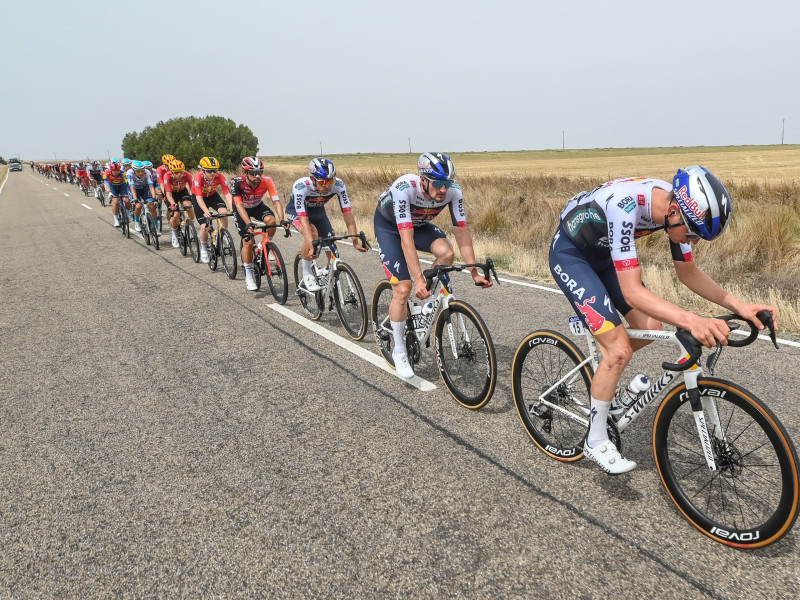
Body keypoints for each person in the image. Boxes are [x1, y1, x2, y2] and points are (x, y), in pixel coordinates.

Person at [549, 166, 778, 474]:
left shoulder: (677, 210)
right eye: (693, 234)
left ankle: (605, 375)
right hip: (571, 256)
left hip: (604, 257)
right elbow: (632, 292)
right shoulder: (625, 206)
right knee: (618, 350)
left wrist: (740, 306)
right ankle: (595, 439)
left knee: (649, 328)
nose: (694, 242)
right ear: (673, 212)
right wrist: (693, 321)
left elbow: (688, 273)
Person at [373, 152, 492, 378]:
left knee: (447, 254)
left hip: (419, 225)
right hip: (390, 228)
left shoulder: (453, 191)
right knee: (403, 288)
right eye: (438, 183)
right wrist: (418, 279)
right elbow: (406, 241)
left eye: (447, 183)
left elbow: (462, 232)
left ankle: (426, 302)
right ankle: (399, 350)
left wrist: (474, 272)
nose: (444, 189)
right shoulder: (404, 188)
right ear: (423, 180)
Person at [286, 157, 368, 292]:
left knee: (331, 242)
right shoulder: (301, 186)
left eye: (330, 181)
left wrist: (355, 240)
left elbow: (347, 213)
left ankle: (328, 273)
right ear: (313, 179)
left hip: (318, 212)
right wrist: (311, 246)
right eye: (323, 182)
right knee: (312, 234)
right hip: (296, 212)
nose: (327, 186)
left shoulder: (339, 185)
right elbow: (303, 219)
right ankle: (307, 274)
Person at [231, 156, 288, 291]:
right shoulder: (237, 182)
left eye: (260, 172)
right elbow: (238, 205)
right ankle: (249, 273)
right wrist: (248, 223)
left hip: (257, 206)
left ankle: (265, 246)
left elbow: (276, 201)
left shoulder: (267, 180)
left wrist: (282, 219)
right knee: (248, 241)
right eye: (253, 173)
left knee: (271, 221)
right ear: (246, 173)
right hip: (241, 208)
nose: (257, 176)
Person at [191, 156, 233, 263]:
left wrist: (232, 208)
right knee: (205, 227)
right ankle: (204, 247)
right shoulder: (198, 178)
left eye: (215, 170)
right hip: (199, 198)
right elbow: (199, 198)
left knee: (224, 212)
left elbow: (227, 193)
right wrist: (206, 211)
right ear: (203, 170)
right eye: (209, 171)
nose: (213, 173)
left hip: (213, 196)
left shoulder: (220, 177)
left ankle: (223, 234)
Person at [162, 159, 194, 248]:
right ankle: (174, 233)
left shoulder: (187, 175)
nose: (179, 174)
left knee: (188, 205)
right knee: (175, 215)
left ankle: (192, 225)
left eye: (181, 172)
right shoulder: (167, 176)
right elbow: (168, 194)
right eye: (176, 172)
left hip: (182, 191)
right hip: (171, 193)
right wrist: (173, 204)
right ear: (171, 172)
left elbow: (193, 189)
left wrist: (194, 199)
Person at [126, 160, 158, 232]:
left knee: (151, 205)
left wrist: (154, 198)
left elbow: (151, 186)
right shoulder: (129, 173)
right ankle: (137, 222)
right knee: (138, 206)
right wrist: (135, 199)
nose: (141, 173)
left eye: (142, 171)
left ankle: (156, 226)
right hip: (133, 189)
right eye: (138, 171)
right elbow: (132, 187)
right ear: (134, 171)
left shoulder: (147, 172)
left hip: (144, 188)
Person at [104, 159, 130, 228]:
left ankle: (128, 214)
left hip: (122, 186)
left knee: (126, 200)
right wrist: (109, 192)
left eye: (117, 170)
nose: (116, 172)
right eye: (114, 170)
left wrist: (129, 191)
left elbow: (128, 183)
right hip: (113, 187)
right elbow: (106, 184)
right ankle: (116, 219)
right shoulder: (107, 174)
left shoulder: (123, 173)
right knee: (115, 202)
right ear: (111, 170)